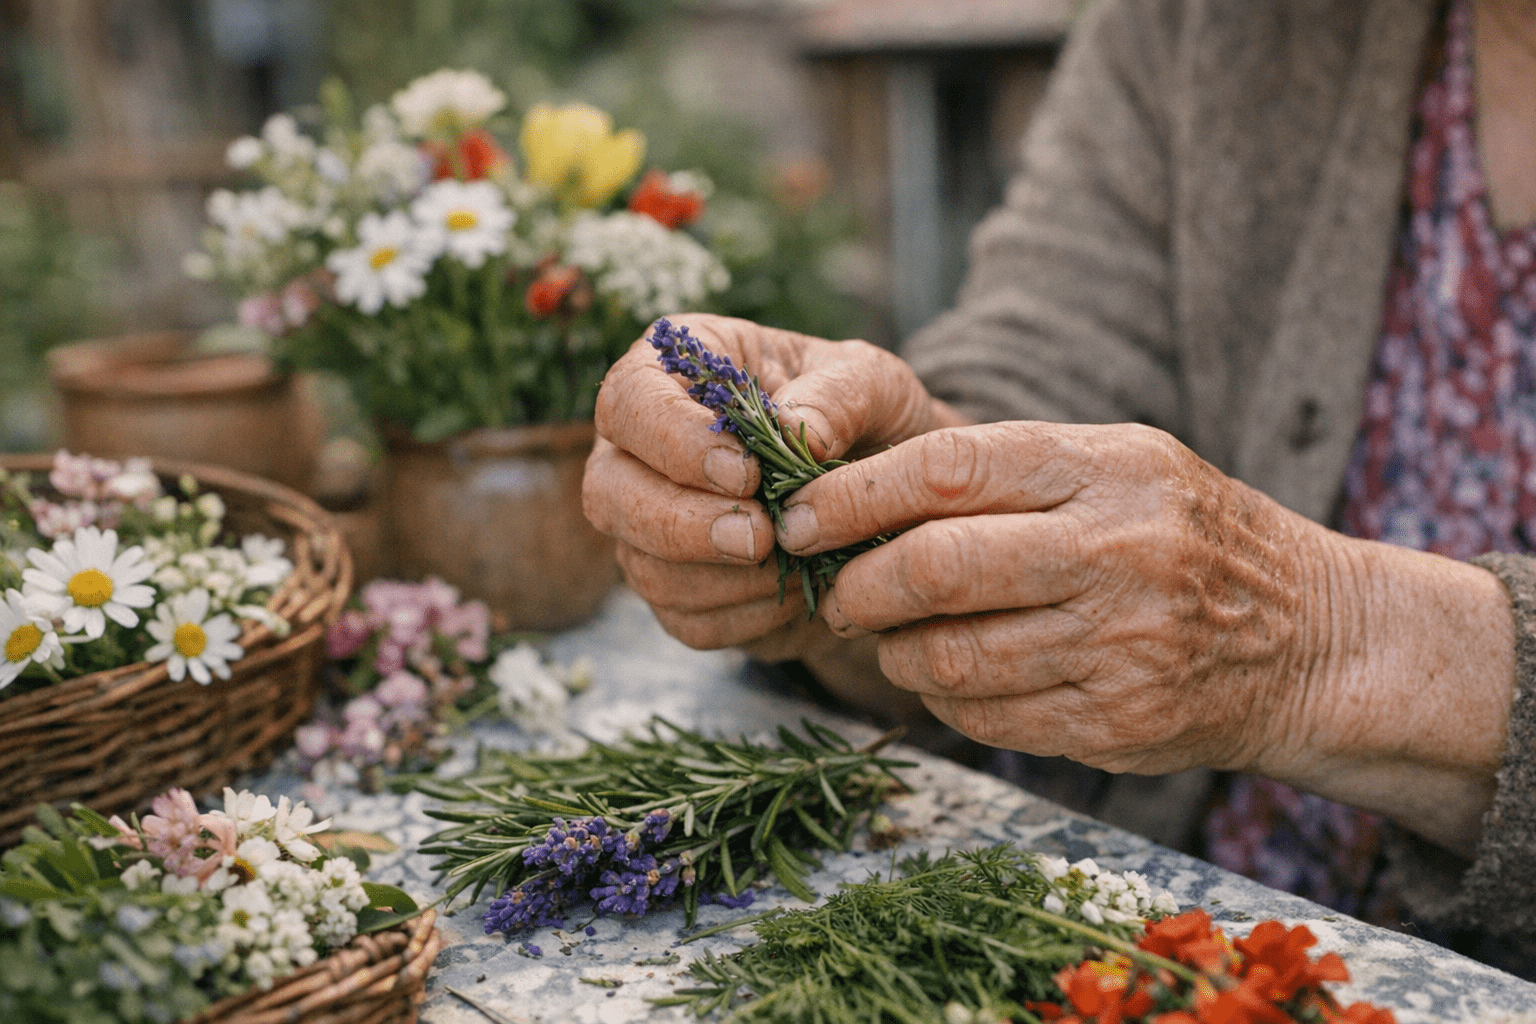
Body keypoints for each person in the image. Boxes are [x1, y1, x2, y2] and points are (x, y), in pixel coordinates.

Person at [581, 0, 1536, 972]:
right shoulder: (1210, 24)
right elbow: (1050, 354)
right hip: (1130, 941)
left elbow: (1284, 631)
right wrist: (883, 523)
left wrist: (1316, 639)